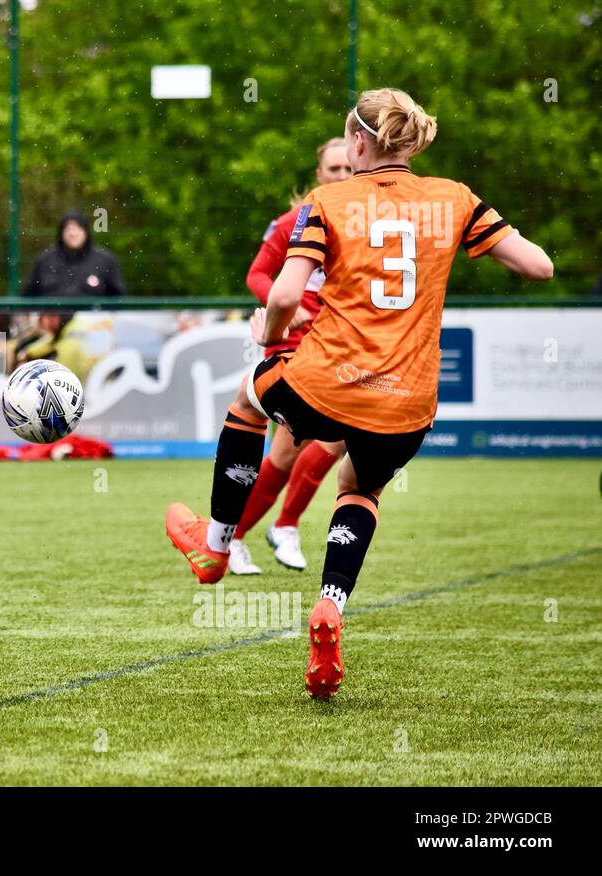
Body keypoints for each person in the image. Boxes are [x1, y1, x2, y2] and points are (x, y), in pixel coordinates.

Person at [164, 88, 553, 697]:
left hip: (327, 381)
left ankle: (214, 547)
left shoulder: (328, 201)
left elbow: (286, 297)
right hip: (408, 403)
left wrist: (269, 331)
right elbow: (539, 267)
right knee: (360, 487)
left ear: (360, 142)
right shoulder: (454, 199)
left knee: (247, 399)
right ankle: (331, 605)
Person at [227, 138, 353, 575]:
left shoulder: (364, 222)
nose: (341, 177)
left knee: (323, 444)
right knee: (296, 449)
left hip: (338, 347)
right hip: (297, 345)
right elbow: (257, 273)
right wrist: (287, 305)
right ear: (319, 175)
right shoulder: (293, 222)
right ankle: (246, 535)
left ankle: (265, 530)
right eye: (333, 169)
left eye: (348, 169)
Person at [23, 211, 126, 297]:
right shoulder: (45, 260)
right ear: (61, 233)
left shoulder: (105, 260)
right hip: (53, 319)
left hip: (93, 320)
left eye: (77, 228)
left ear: (86, 231)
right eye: (68, 229)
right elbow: (28, 295)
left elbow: (117, 298)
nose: (72, 233)